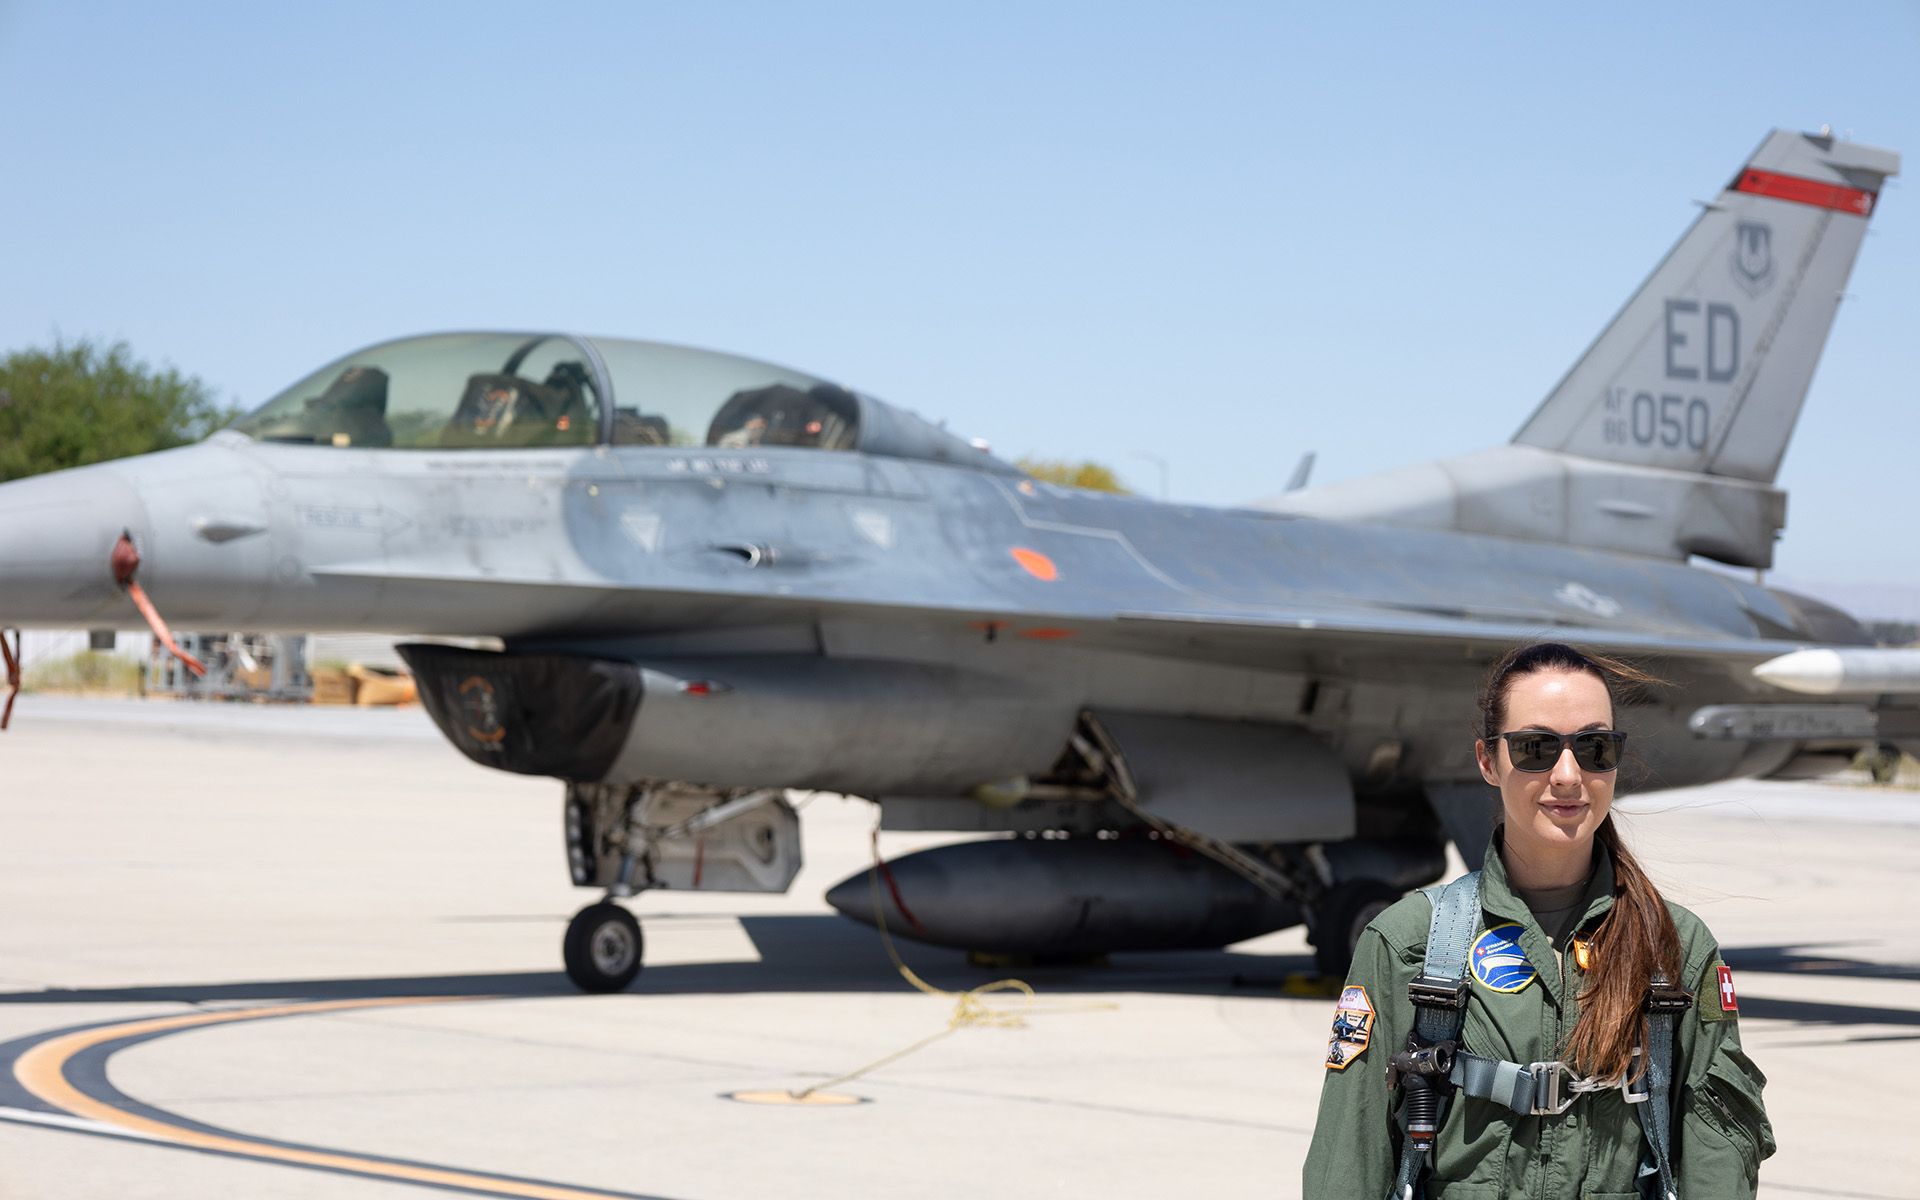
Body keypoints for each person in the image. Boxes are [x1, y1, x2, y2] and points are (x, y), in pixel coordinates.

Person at [1302, 641, 1774, 1198]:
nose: (1568, 775)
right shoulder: (1410, 944)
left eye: (1595, 748)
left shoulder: (1675, 950)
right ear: (1488, 761)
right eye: (1535, 748)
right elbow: (1347, 1157)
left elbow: (1718, 1155)